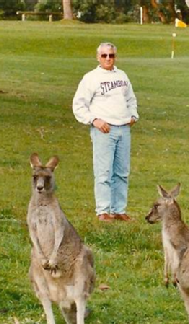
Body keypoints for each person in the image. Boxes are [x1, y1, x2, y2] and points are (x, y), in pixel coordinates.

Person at [73, 42, 139, 222]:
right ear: (98, 57)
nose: (108, 59)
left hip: (123, 129)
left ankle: (119, 210)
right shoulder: (91, 78)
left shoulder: (122, 76)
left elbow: (131, 99)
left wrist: (133, 116)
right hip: (104, 130)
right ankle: (103, 211)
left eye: (111, 55)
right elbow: (79, 105)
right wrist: (94, 120)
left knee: (122, 172)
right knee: (103, 172)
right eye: (104, 56)